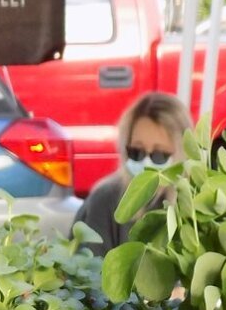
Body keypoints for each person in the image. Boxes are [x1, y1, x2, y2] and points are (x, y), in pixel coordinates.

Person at [75, 91, 191, 255]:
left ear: (181, 153)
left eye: (159, 155)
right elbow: (88, 265)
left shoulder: (196, 205)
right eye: (137, 152)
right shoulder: (104, 200)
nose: (147, 163)